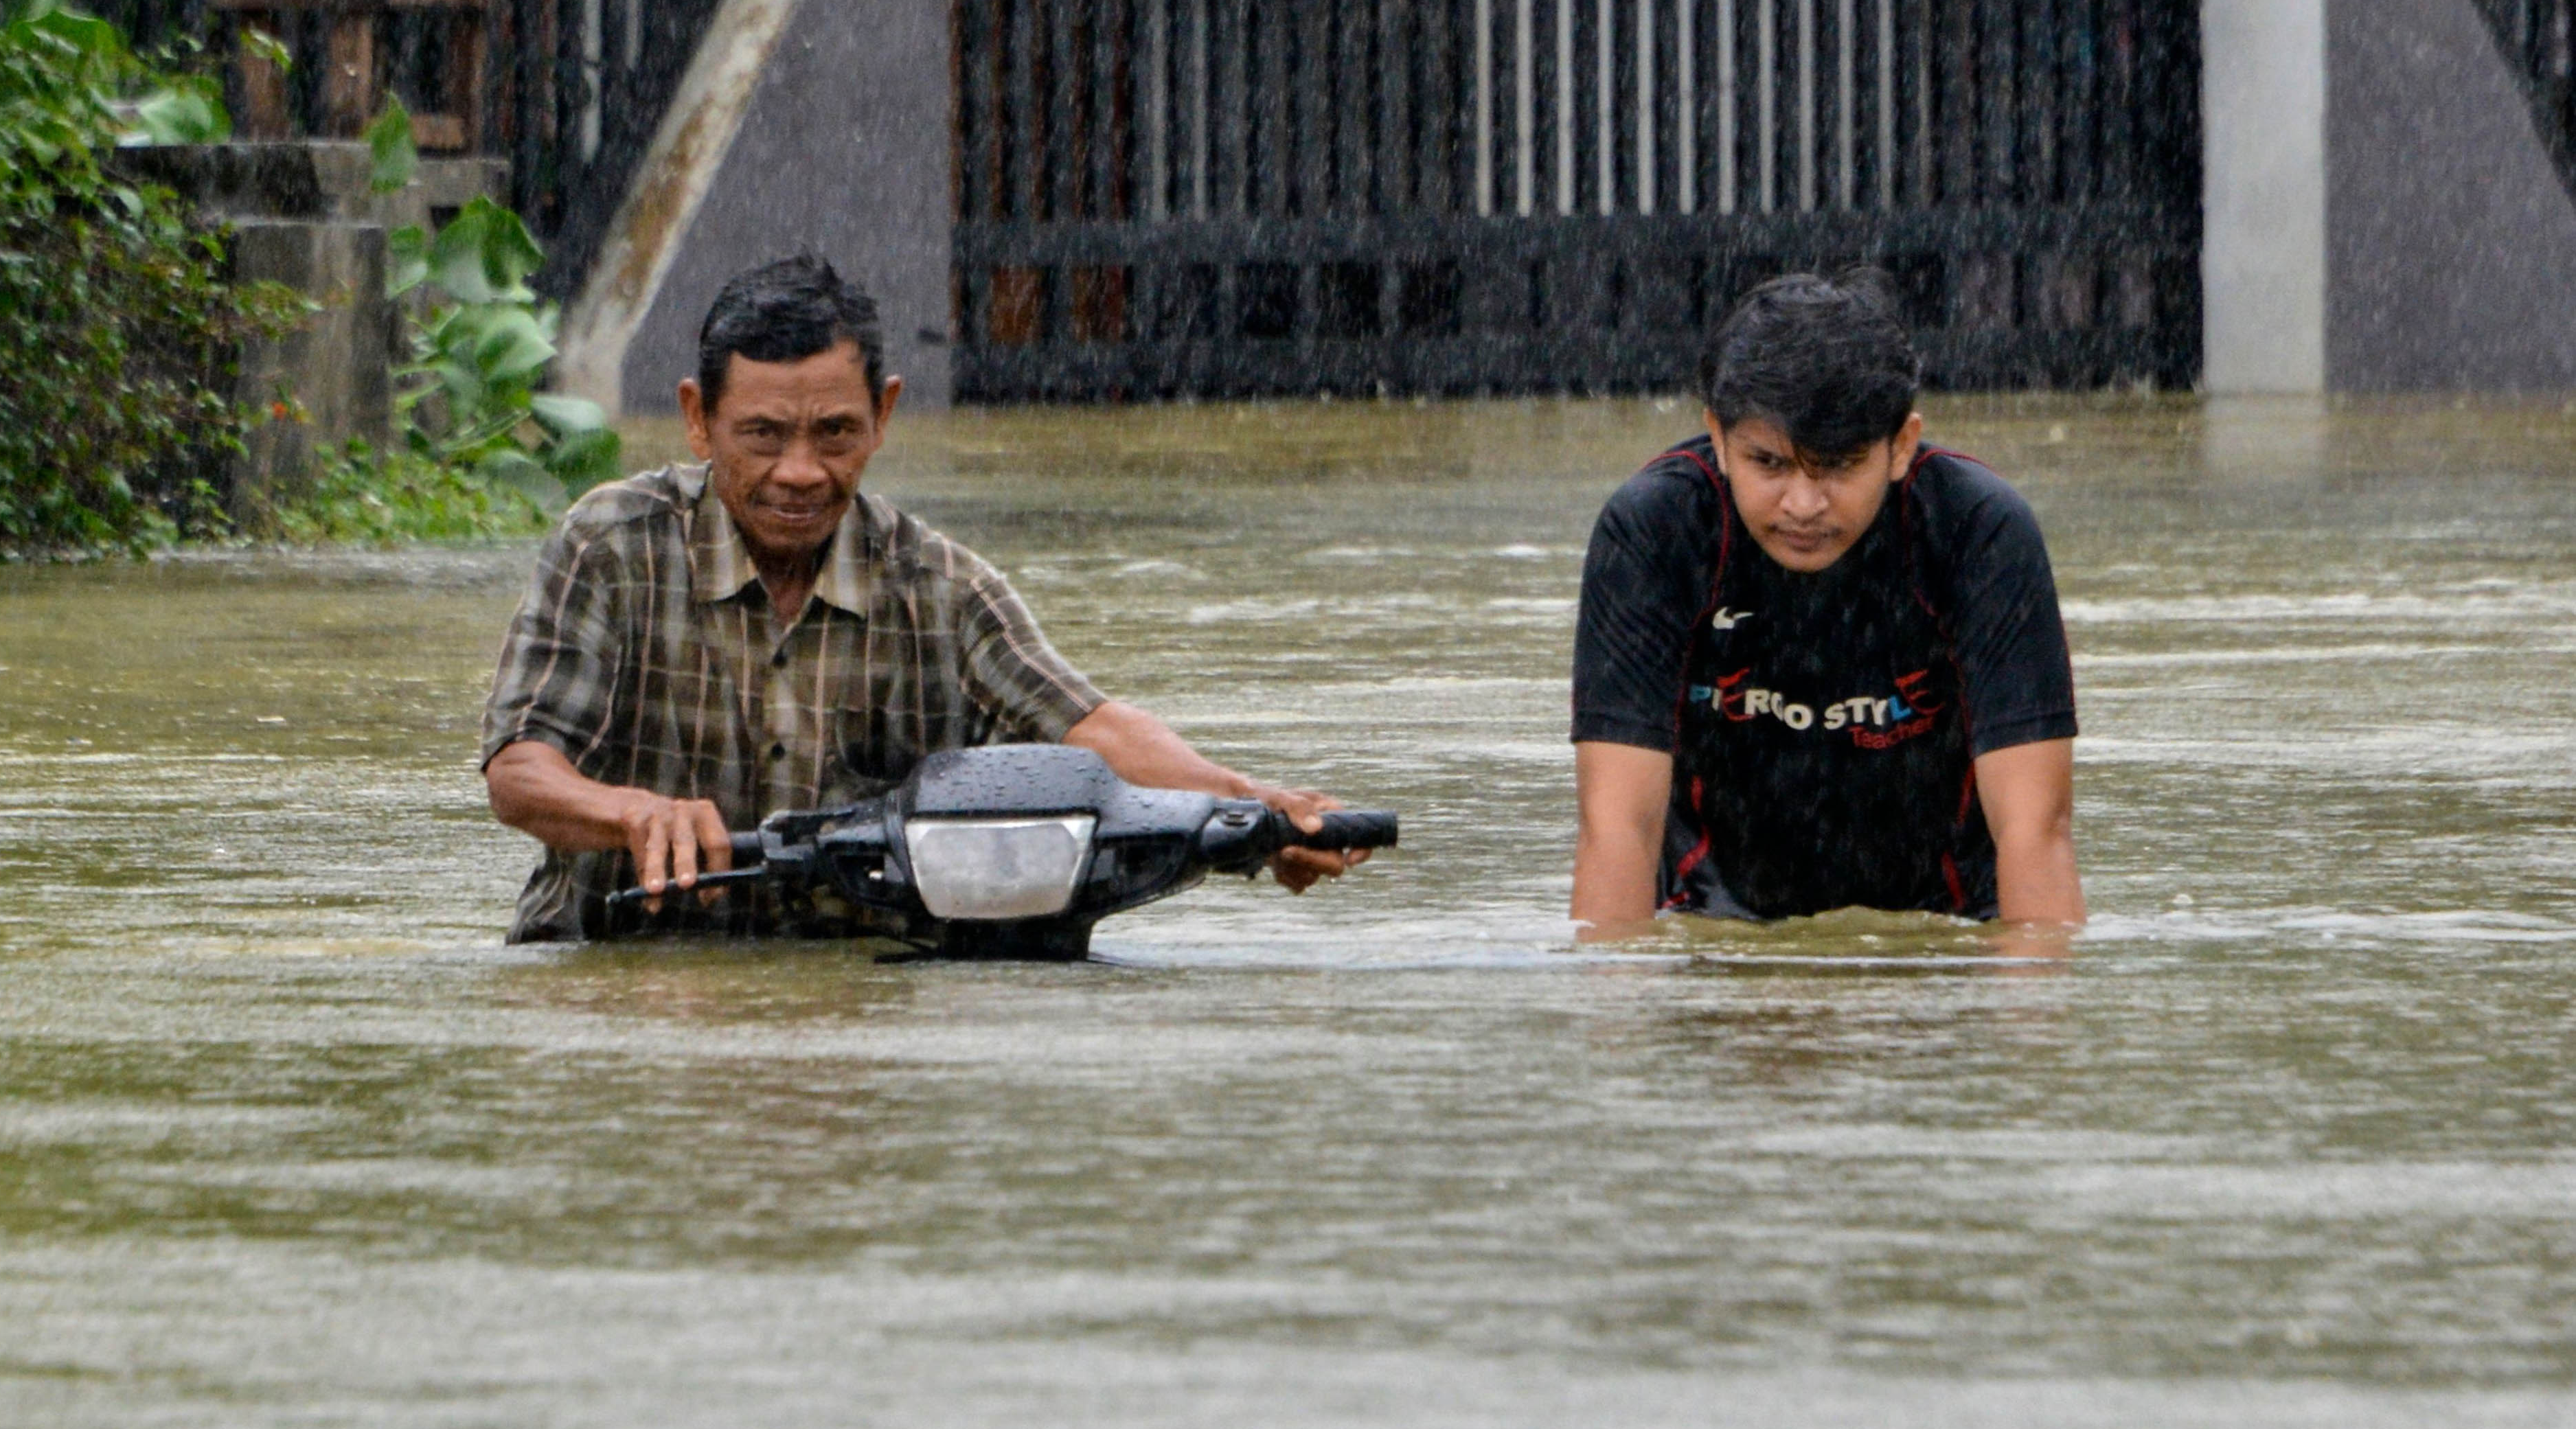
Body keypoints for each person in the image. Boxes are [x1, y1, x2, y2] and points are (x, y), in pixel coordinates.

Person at [481, 253, 1365, 941]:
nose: (800, 472)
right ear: (697, 419)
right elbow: (520, 773)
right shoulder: (613, 545)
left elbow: (1089, 728)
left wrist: (1253, 806)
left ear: (886, 415)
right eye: (763, 436)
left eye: (835, 433)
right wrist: (631, 812)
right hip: (615, 962)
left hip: (859, 992)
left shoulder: (943, 589)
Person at [1568, 269, 2083, 935]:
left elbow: (2036, 830)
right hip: (1715, 922)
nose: (1804, 505)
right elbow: (1616, 829)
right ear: (1718, 437)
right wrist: (1614, 990)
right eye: (1769, 463)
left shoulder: (1977, 530)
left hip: (1945, 923)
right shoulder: (1656, 530)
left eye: (1838, 466)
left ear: (1901, 445)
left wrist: (2033, 994)